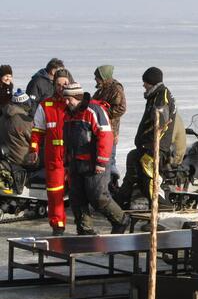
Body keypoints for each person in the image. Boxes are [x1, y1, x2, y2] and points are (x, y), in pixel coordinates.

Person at [62, 83, 129, 235]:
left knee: (98, 197)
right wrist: (66, 161)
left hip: (93, 163)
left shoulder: (93, 110)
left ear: (77, 97)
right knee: (77, 197)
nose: (66, 102)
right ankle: (85, 229)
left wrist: (101, 161)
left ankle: (121, 220)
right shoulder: (69, 114)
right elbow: (67, 139)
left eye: (69, 99)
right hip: (75, 162)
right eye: (65, 99)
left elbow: (105, 136)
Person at [115, 67, 176, 209]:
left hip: (155, 147)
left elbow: (162, 125)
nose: (143, 85)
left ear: (152, 82)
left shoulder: (161, 97)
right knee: (134, 165)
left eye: (145, 82)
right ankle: (122, 200)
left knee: (150, 180)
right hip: (147, 145)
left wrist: (153, 145)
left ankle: (162, 208)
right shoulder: (154, 96)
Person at [29, 68, 72, 235]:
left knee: (79, 192)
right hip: (54, 157)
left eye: (65, 84)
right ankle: (57, 225)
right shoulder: (45, 105)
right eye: (59, 84)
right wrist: (34, 149)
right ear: (54, 85)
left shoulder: (75, 104)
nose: (62, 88)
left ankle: (84, 225)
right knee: (55, 193)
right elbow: (37, 131)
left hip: (74, 156)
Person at [92, 65, 127, 189]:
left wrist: (103, 112)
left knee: (109, 159)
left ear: (104, 77)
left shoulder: (115, 89)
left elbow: (121, 108)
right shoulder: (101, 90)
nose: (95, 79)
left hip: (110, 131)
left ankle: (111, 186)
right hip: (99, 131)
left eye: (98, 77)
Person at [0, 89, 34, 166]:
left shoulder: (2, 117)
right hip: (23, 160)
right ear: (25, 104)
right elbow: (35, 140)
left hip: (6, 158)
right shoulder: (25, 121)